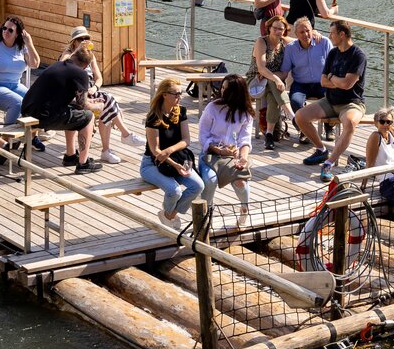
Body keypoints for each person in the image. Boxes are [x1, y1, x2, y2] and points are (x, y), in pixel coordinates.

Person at [294, 20, 366, 180]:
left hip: (352, 103)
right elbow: (323, 81)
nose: (329, 36)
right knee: (300, 116)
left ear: (342, 34)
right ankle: (321, 149)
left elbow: (348, 85)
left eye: (332, 33)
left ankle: (330, 162)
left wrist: (333, 78)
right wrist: (336, 80)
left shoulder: (358, 55)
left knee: (350, 123)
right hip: (330, 101)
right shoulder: (333, 53)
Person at [60, 26, 144, 164]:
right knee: (108, 101)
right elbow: (61, 64)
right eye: (81, 39)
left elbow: (99, 78)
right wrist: (76, 50)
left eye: (86, 38)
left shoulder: (89, 55)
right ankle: (119, 140)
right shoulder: (69, 53)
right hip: (74, 93)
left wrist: (95, 87)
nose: (84, 41)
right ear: (73, 42)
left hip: (88, 91)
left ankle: (112, 146)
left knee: (106, 103)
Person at [20, 46, 104, 174]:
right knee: (88, 117)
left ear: (73, 56)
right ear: (85, 65)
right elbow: (84, 106)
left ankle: (70, 156)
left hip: (28, 110)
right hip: (43, 117)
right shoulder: (80, 73)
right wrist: (97, 106)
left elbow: (72, 101)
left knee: (74, 111)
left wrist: (88, 102)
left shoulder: (57, 66)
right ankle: (83, 163)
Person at [140, 77, 204, 228]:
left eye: (180, 94)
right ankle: (168, 219)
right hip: (152, 164)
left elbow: (186, 140)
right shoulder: (153, 117)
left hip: (176, 159)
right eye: (175, 94)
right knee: (174, 191)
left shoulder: (181, 111)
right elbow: (156, 151)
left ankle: (168, 214)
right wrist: (175, 165)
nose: (179, 97)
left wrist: (170, 150)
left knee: (198, 186)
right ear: (164, 95)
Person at [198, 74, 254, 226]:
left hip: (232, 155)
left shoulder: (246, 113)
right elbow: (202, 136)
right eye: (222, 87)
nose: (222, 91)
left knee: (240, 183)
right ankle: (205, 217)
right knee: (210, 181)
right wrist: (217, 149)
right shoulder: (212, 107)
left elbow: (245, 139)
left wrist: (243, 157)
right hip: (210, 154)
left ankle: (244, 208)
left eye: (227, 89)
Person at [280, 17, 333, 161]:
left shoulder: (324, 42)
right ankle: (304, 131)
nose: (306, 34)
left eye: (308, 30)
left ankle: (329, 127)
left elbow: (334, 65)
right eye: (301, 32)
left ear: (312, 30)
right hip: (301, 83)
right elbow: (285, 71)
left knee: (331, 98)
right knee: (295, 101)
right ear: (296, 35)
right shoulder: (291, 49)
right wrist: (273, 78)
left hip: (322, 82)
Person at [0, 15, 40, 127]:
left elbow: (35, 64)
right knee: (17, 103)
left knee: (35, 100)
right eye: (4, 28)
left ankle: (31, 135)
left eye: (10, 30)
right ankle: (6, 136)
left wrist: (29, 43)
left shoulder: (22, 46)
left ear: (17, 34)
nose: (6, 31)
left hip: (15, 85)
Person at [249, 15, 291, 150]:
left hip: (272, 82)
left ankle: (269, 135)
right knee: (274, 82)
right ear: (269, 28)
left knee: (273, 93)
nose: (278, 31)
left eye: (281, 29)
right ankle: (290, 114)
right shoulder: (261, 42)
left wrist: (315, 34)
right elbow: (261, 68)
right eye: (275, 28)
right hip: (255, 80)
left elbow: (304, 39)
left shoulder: (284, 43)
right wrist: (276, 78)